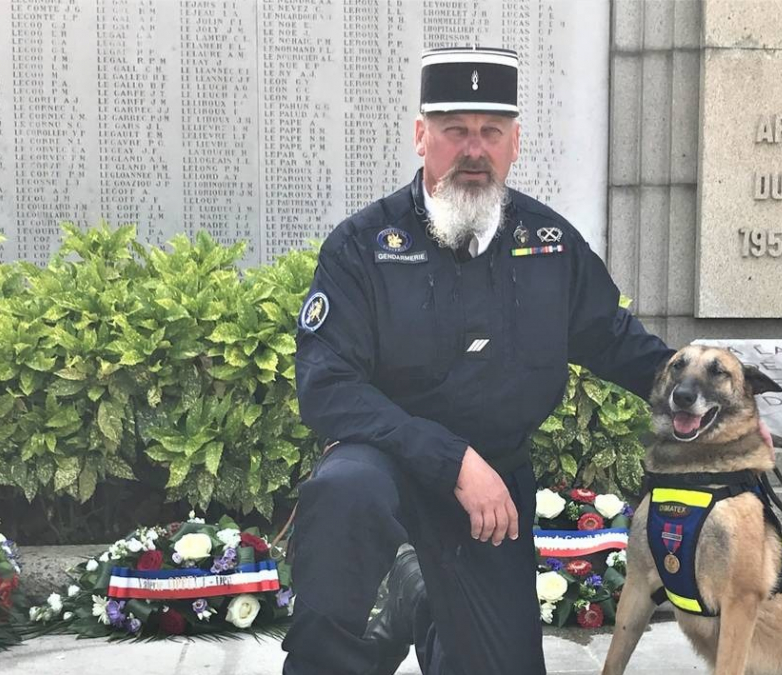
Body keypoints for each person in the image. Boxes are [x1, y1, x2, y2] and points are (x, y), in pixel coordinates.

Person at [284, 46, 679, 674]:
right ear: (421, 136)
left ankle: (422, 603)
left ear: (514, 142)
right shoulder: (364, 245)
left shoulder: (550, 245)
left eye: (490, 132)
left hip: (492, 496)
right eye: (454, 131)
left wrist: (717, 400)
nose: (473, 150)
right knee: (343, 491)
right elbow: (327, 388)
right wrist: (452, 460)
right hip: (385, 471)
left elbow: (617, 341)